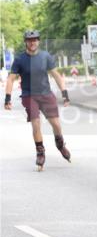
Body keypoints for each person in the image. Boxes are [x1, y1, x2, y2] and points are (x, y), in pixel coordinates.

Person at [3, 30, 72, 170]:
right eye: (29, 40)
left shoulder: (45, 56)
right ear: (25, 42)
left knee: (56, 125)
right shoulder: (20, 59)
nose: (32, 42)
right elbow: (10, 79)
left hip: (46, 94)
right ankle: (40, 152)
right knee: (36, 124)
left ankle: (60, 144)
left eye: (35, 40)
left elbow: (56, 75)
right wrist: (7, 98)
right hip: (29, 95)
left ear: (38, 41)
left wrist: (65, 94)